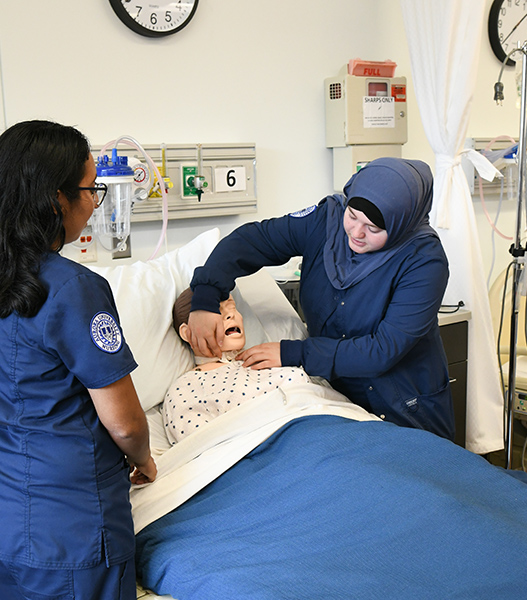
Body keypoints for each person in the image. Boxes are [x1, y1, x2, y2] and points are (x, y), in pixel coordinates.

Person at [185, 157, 455, 440]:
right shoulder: (325, 221)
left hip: (406, 405)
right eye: (352, 216)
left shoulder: (424, 260)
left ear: (402, 223)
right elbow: (253, 241)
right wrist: (205, 295)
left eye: (374, 229)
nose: (357, 233)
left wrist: (294, 353)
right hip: (340, 404)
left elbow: (383, 350)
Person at [0, 120, 156, 600]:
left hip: (9, 515)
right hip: (74, 529)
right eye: (91, 190)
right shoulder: (74, 289)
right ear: (55, 200)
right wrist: (144, 460)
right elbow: (126, 423)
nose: (95, 203)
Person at [163, 288, 309, 444]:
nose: (231, 314)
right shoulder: (185, 387)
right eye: (217, 311)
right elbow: (198, 447)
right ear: (188, 333)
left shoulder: (268, 358)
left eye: (233, 307)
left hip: (317, 427)